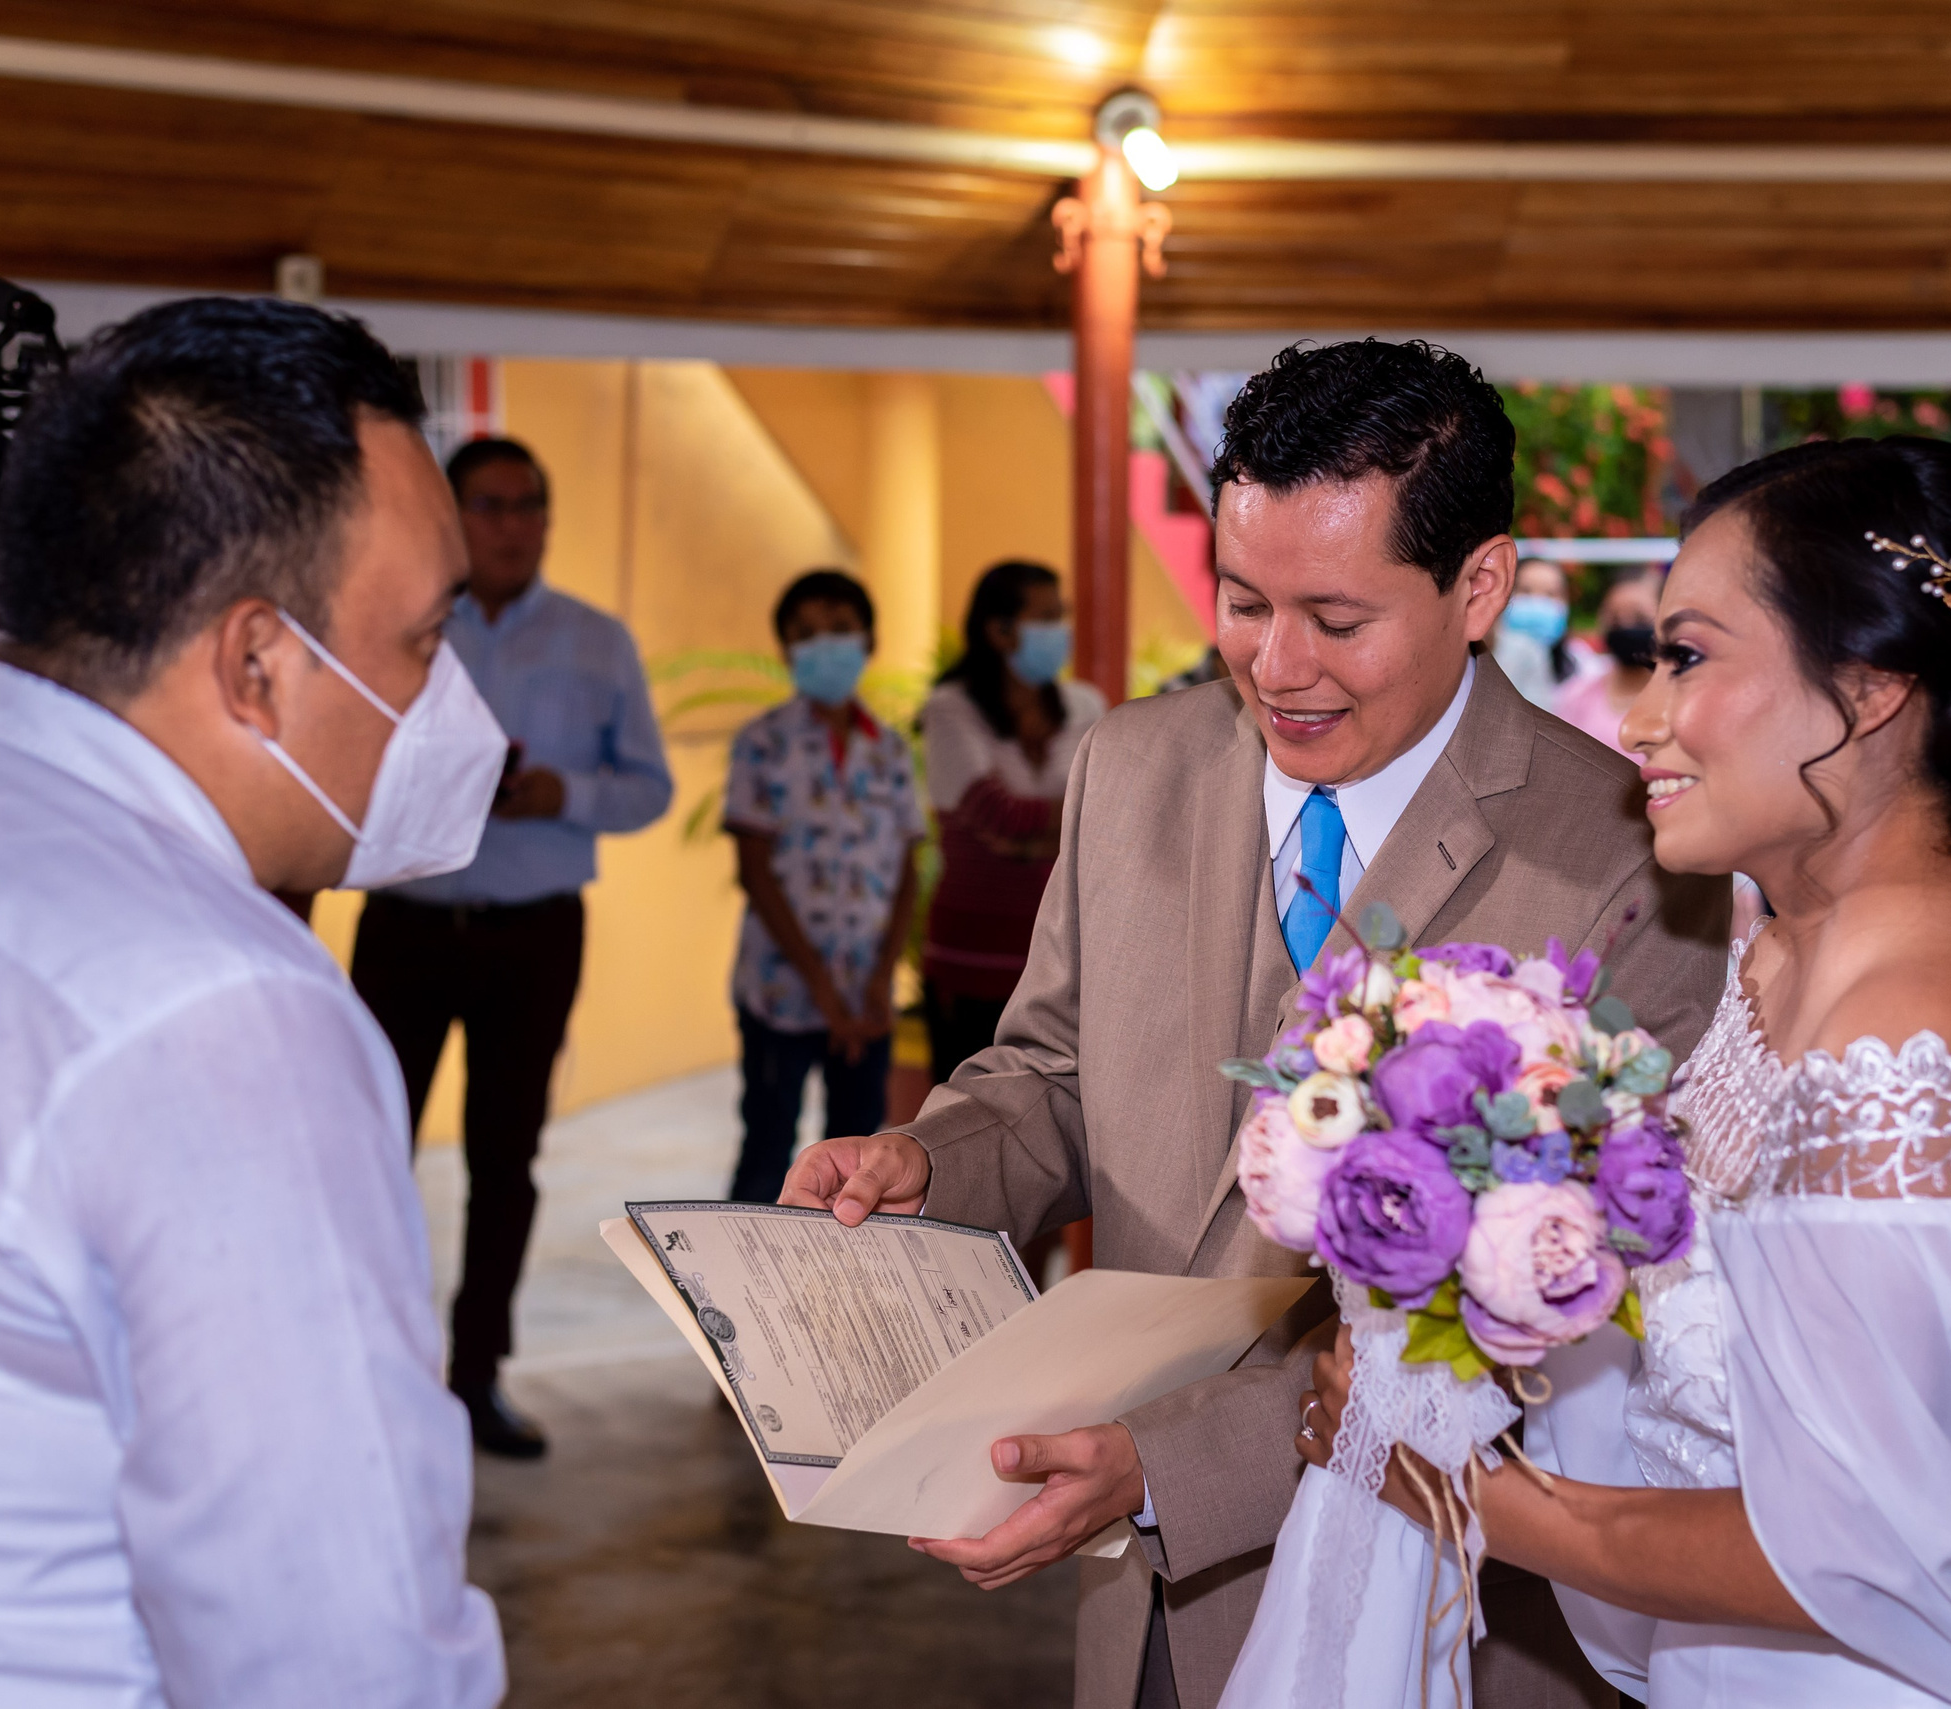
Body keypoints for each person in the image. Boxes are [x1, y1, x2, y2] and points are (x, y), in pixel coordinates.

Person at [781, 339, 1730, 1709]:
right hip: (1144, 1614)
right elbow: (1051, 1069)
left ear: (1480, 585)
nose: (1276, 665)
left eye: (1336, 619)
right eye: (1242, 601)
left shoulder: (1628, 858)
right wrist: (933, 1162)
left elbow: (1583, 1308)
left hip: (1442, 1617)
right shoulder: (1132, 768)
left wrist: (1170, 1463)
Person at [1297, 434, 1951, 1708]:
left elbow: (1858, 1547)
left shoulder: (1911, 1037)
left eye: (1689, 657)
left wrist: (1467, 1490)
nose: (1638, 718)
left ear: (1867, 689)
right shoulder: (1783, 950)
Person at [0, 298, 507, 1705]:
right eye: (424, 637)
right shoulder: (220, 1009)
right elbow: (338, 1650)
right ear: (257, 662)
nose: (448, 700)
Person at [349, 435, 671, 1459]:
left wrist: (559, 792)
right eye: (490, 504)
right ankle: (363, 1369)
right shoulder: (394, 624)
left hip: (531, 933)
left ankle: (476, 1374)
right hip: (404, 926)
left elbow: (650, 787)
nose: (513, 524)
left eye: (529, 504)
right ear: (449, 515)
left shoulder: (596, 640)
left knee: (505, 1159)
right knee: (366, 1150)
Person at [724, 569, 925, 1203]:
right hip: (780, 992)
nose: (826, 646)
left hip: (866, 999)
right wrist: (820, 986)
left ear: (869, 641)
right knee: (767, 1149)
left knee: (858, 1159)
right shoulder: (762, 744)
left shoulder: (889, 751)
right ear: (786, 650)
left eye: (840, 629)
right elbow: (755, 871)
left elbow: (906, 870)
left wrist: (879, 981)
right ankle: (746, 1265)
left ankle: (834, 1271)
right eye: (807, 634)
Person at [919, 559, 1107, 1082]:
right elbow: (1000, 818)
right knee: (963, 1110)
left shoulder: (1085, 705)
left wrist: (1028, 843)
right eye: (1044, 618)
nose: (1059, 630)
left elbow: (1107, 812)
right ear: (999, 631)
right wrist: (1069, 823)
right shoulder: (950, 709)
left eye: (1061, 615)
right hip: (971, 959)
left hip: (1059, 963)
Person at [1551, 566, 1661, 757]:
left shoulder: (1680, 701)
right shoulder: (1577, 695)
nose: (1626, 625)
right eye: (1616, 619)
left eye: (1640, 618)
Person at [1488, 557, 1575, 710]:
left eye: (1550, 594)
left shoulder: (1583, 667)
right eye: (1525, 591)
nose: (1537, 602)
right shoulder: (1484, 660)